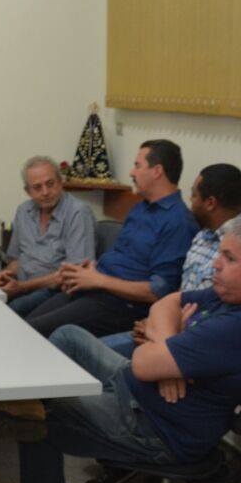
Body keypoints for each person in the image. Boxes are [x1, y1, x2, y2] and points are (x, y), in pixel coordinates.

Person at [0, 215, 241, 483]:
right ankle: (11, 406)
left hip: (157, 428)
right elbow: (168, 302)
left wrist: (161, 353)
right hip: (146, 395)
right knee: (69, 336)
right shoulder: (238, 297)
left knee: (38, 414)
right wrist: (169, 348)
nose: (216, 264)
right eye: (220, 254)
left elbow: (142, 363)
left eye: (229, 258)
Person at [86, 163, 241, 483]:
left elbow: (216, 318)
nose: (189, 200)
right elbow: (177, 296)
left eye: (194, 195)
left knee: (107, 368)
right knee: (90, 352)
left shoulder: (240, 250)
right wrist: (155, 326)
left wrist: (162, 342)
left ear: (211, 202)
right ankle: (121, 449)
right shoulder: (202, 235)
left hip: (191, 350)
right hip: (166, 330)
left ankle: (128, 451)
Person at [25, 140, 198, 338]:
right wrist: (85, 273)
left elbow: (158, 291)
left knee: (32, 334)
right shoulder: (140, 208)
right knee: (24, 324)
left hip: (122, 305)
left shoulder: (178, 221)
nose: (132, 172)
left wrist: (99, 280)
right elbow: (119, 258)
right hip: (95, 289)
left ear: (157, 171)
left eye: (137, 165)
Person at [0, 155, 97, 316]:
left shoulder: (78, 212)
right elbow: (16, 260)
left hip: (53, 291)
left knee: (4, 313)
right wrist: (5, 274)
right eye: (37, 187)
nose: (46, 192)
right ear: (28, 191)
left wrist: (22, 287)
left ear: (60, 182)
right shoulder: (23, 211)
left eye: (50, 184)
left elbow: (75, 274)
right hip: (21, 286)